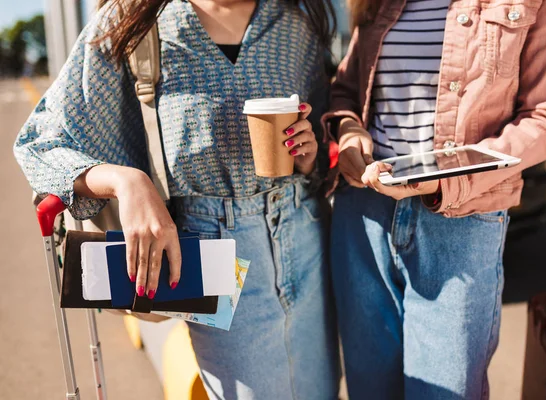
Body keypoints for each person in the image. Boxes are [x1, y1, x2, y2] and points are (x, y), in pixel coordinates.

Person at [14, 0, 340, 398]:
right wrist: (127, 182)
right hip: (213, 251)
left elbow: (322, 139)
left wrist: (307, 159)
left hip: (306, 235)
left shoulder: (294, 23)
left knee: (321, 389)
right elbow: (42, 142)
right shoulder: (135, 21)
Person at [322, 0, 546, 398]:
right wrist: (350, 132)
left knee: (445, 392)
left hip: (461, 222)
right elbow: (347, 92)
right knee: (369, 388)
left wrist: (446, 181)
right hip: (363, 214)